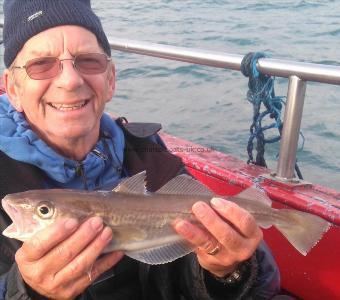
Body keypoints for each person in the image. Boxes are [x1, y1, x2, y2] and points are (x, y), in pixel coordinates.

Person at [0, 0, 280, 299]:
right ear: (13, 88)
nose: (69, 81)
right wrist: (26, 291)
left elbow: (259, 288)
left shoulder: (153, 161)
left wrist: (229, 272)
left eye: (88, 60)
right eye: (41, 64)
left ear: (110, 80)